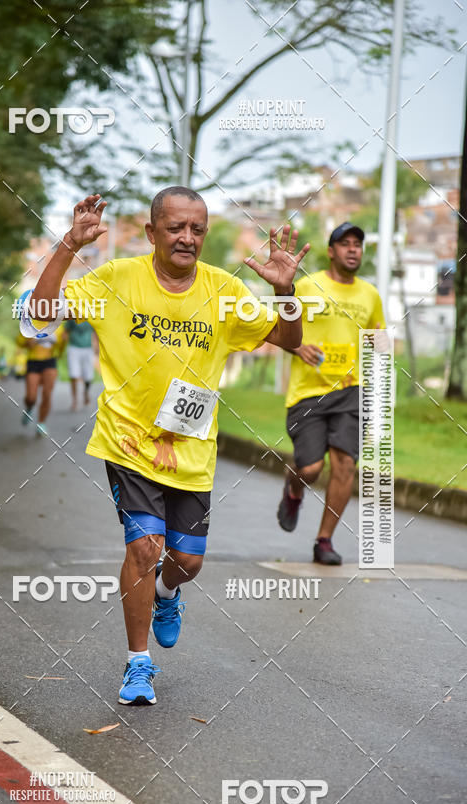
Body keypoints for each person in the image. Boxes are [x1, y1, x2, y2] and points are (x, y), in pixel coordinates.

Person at [28, 188, 309, 705]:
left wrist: (286, 289)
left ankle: (167, 593)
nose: (187, 238)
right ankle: (139, 664)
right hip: (129, 441)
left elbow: (289, 339)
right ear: (153, 233)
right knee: (143, 547)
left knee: (187, 561)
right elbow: (41, 314)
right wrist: (69, 243)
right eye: (176, 228)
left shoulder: (223, 290)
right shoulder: (117, 280)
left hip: (192, 449)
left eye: (197, 229)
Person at [276, 222, 386, 565]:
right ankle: (294, 491)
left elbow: (376, 340)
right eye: (345, 243)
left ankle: (324, 540)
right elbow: (275, 328)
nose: (353, 249)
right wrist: (297, 349)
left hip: (351, 391)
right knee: (310, 468)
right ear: (331, 250)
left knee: (345, 465)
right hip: (308, 393)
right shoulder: (307, 287)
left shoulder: (370, 295)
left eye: (358, 244)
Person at [16, 326, 66, 436]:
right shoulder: (29, 323)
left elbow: (61, 346)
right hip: (33, 361)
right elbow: (19, 342)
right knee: (31, 397)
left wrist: (64, 341)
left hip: (50, 362)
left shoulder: (58, 325)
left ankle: (41, 423)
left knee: (47, 393)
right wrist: (26, 342)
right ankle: (29, 408)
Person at [65, 316, 95, 411]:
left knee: (88, 376)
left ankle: (86, 392)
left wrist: (97, 346)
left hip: (88, 348)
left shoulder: (91, 315)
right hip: (74, 347)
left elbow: (96, 332)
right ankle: (75, 400)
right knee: (74, 375)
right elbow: (66, 331)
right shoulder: (72, 316)